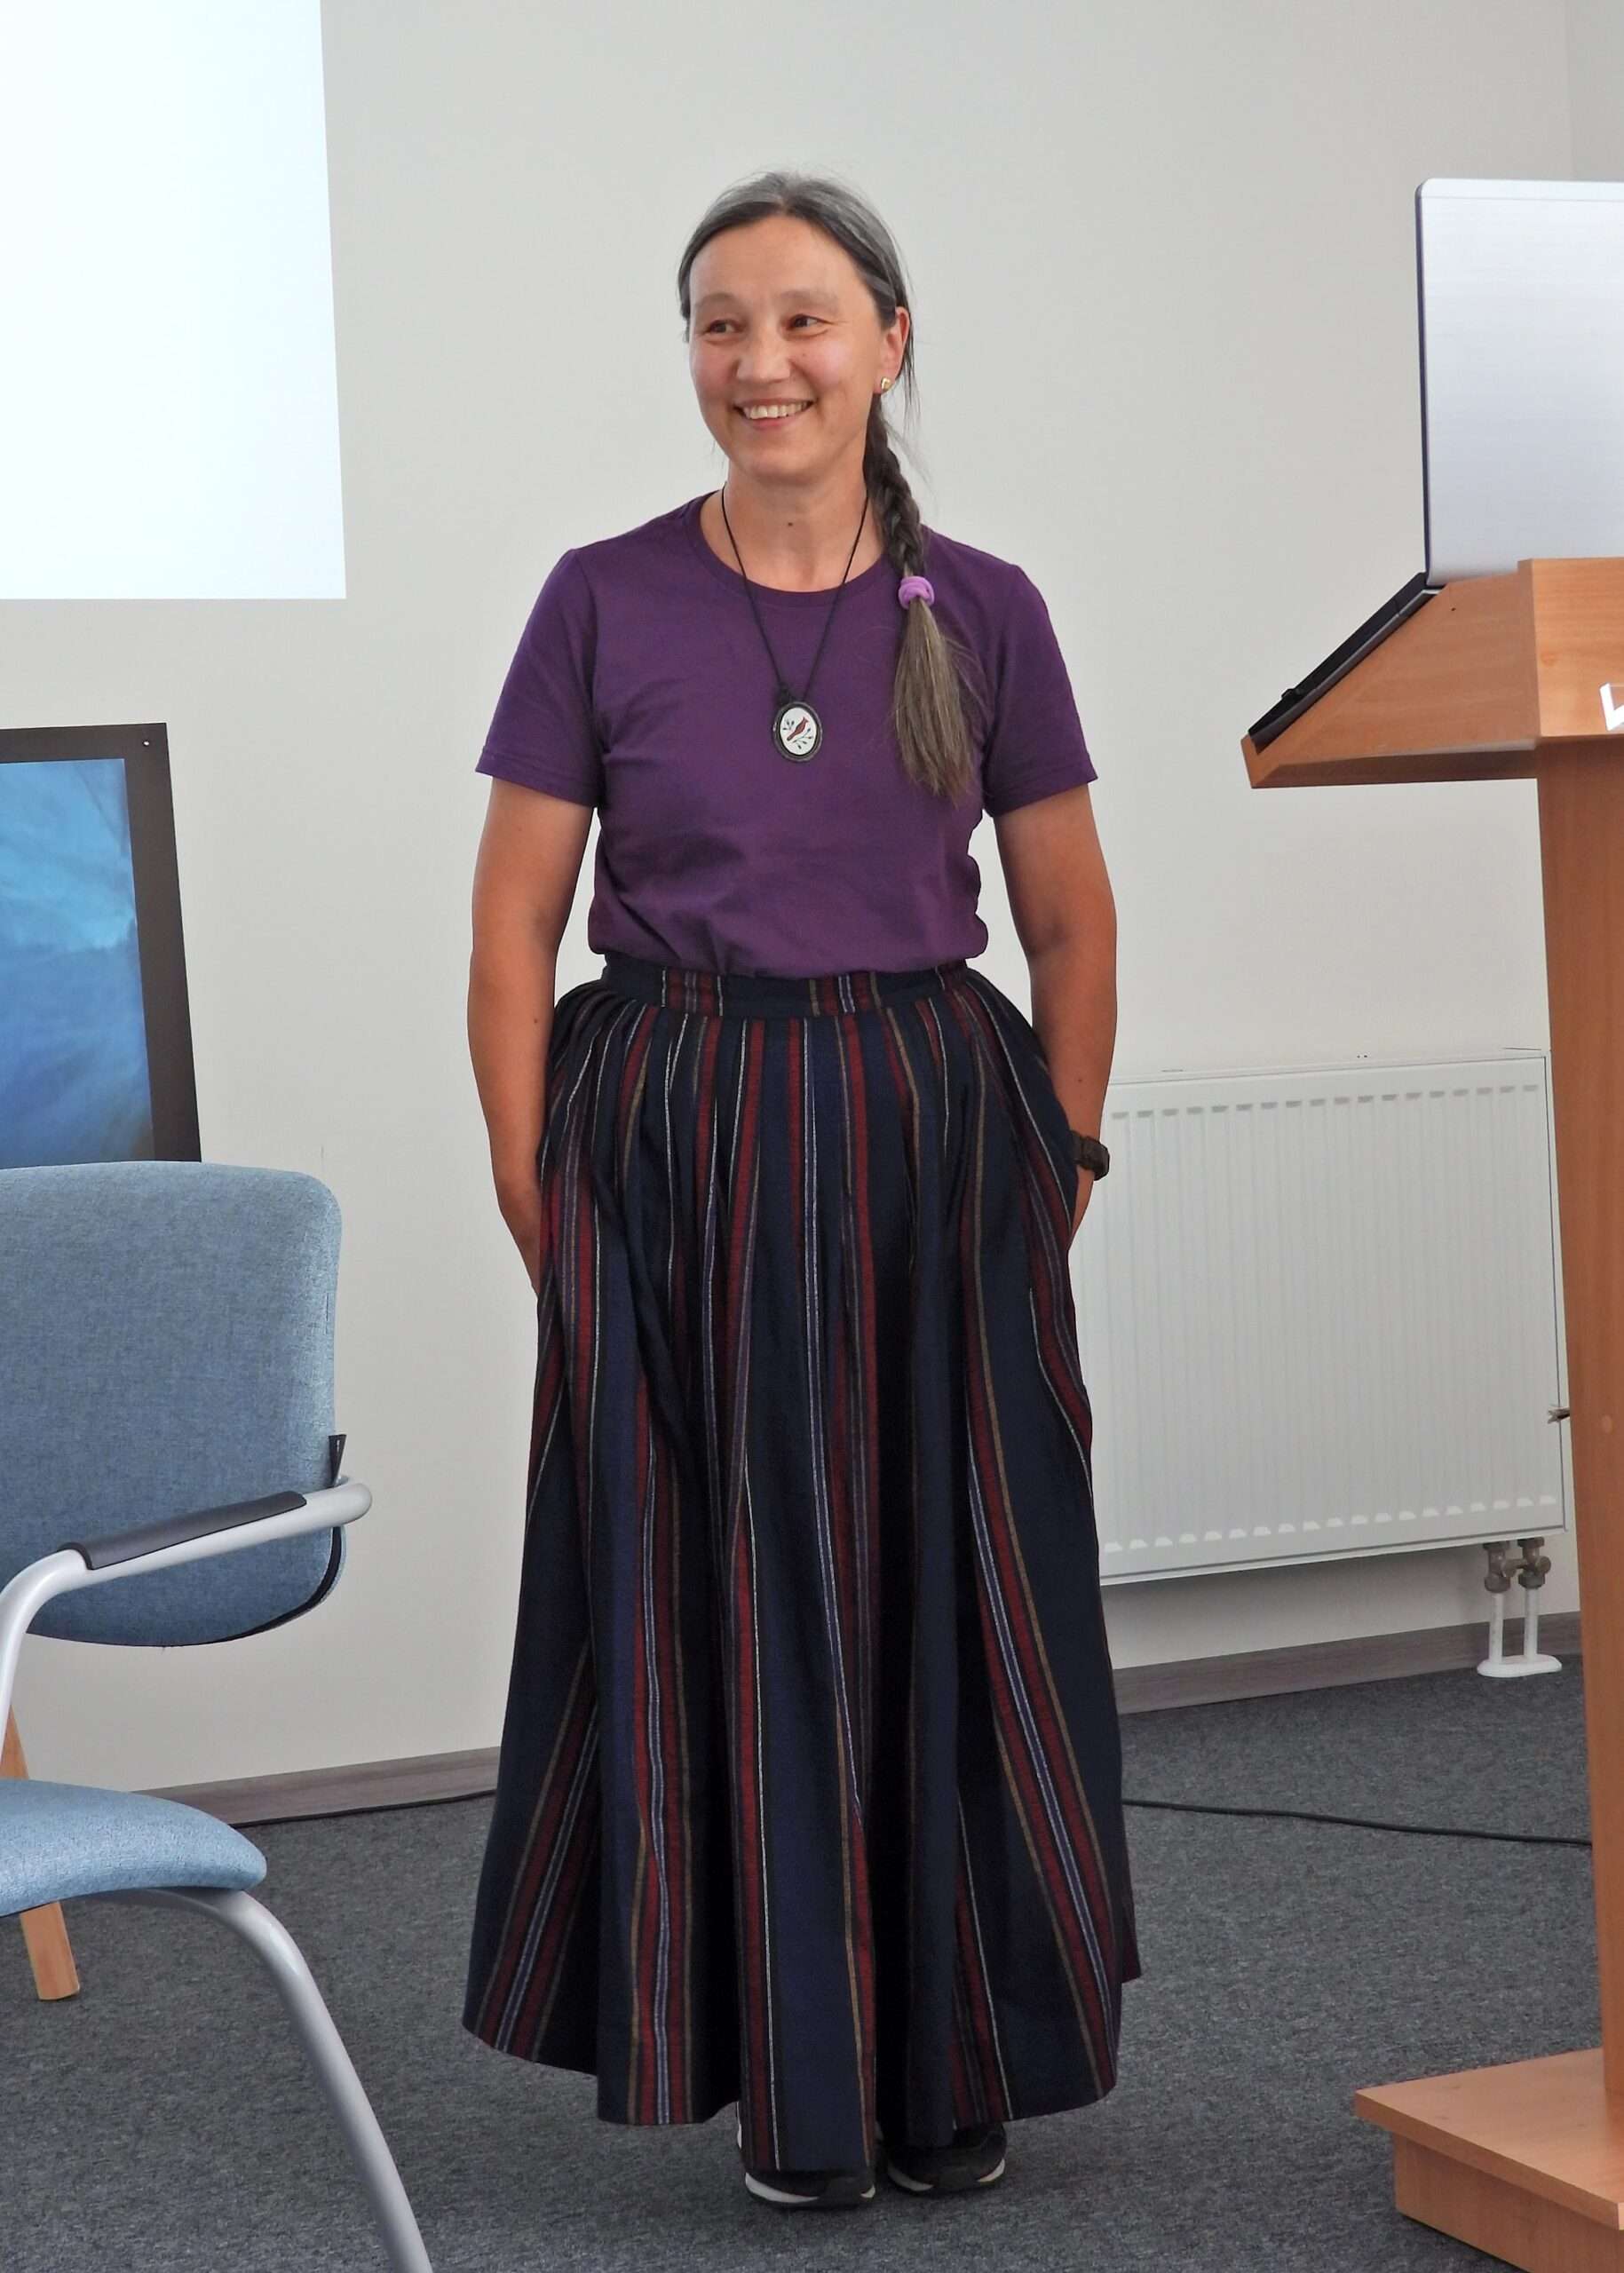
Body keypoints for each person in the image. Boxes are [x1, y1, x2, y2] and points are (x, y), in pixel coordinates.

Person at [462, 167, 1141, 2213]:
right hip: (677, 1141)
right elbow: (512, 932)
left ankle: (950, 2069)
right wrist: (537, 1191)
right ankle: (786, 2081)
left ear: (889, 343)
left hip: (931, 1138)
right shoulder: (599, 595)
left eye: (804, 318)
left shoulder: (986, 607)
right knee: (723, 1605)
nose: (761, 360)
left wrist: (1052, 1164)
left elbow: (1072, 921)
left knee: (954, 1591)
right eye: (722, 323)